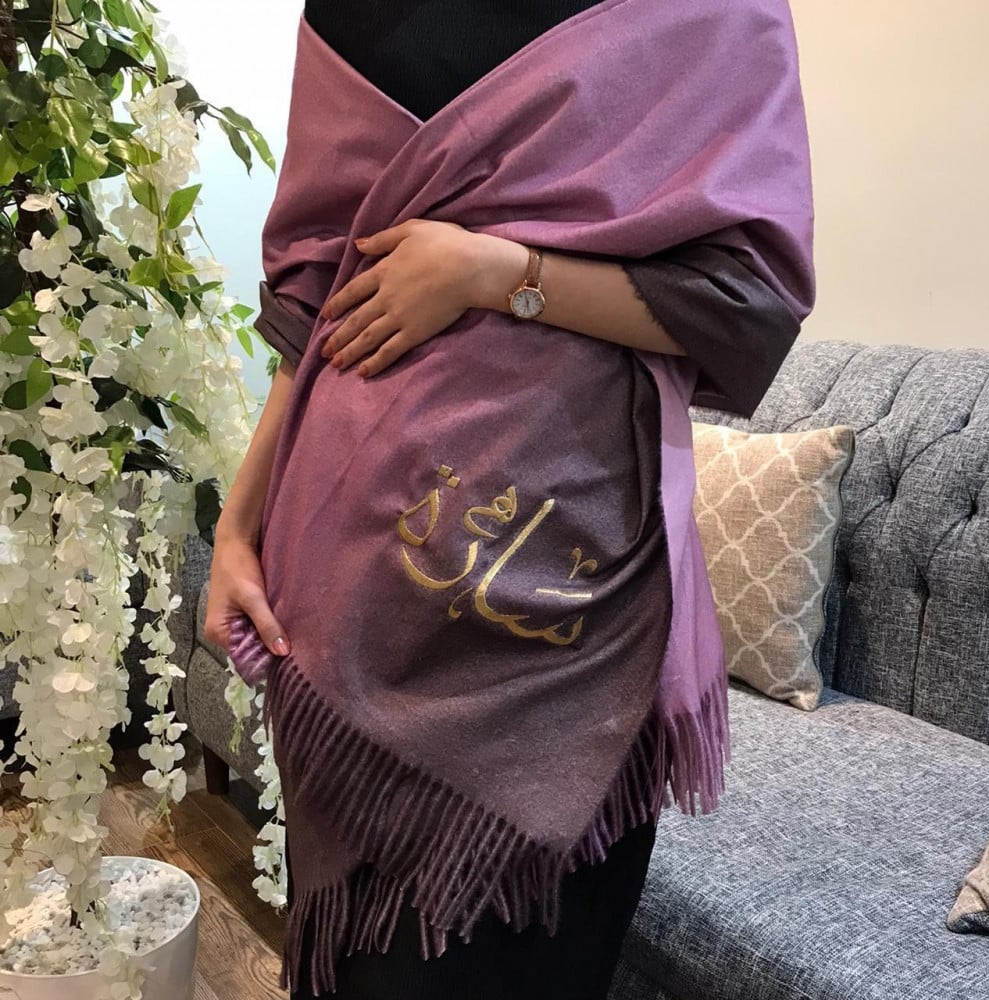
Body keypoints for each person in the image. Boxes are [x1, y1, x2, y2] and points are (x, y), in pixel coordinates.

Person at [206, 1, 815, 997]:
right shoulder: (357, 10)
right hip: (351, 596)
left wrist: (498, 273)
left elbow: (745, 307)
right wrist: (237, 526)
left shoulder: (706, 17)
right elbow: (314, 301)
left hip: (574, 618)